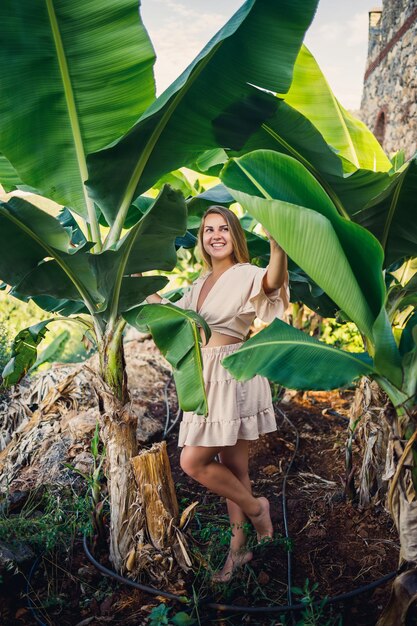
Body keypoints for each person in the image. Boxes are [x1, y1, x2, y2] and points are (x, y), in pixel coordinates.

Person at [146, 205, 289, 582]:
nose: (215, 235)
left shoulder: (244, 274)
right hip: (203, 377)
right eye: (208, 230)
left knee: (192, 462)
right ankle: (238, 551)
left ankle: (258, 510)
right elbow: (174, 317)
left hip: (232, 372)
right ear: (202, 239)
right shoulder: (200, 283)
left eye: (223, 228)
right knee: (235, 469)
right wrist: (140, 285)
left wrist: (278, 247)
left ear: (235, 235)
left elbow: (271, 284)